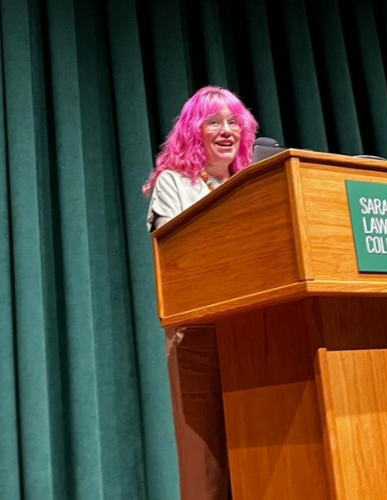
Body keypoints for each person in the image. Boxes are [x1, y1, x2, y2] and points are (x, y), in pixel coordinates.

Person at [143, 86, 258, 500]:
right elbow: (176, 255)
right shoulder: (174, 183)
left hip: (256, 329)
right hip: (198, 333)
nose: (227, 130)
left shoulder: (253, 184)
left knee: (262, 453)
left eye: (233, 122)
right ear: (195, 131)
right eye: (214, 122)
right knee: (206, 466)